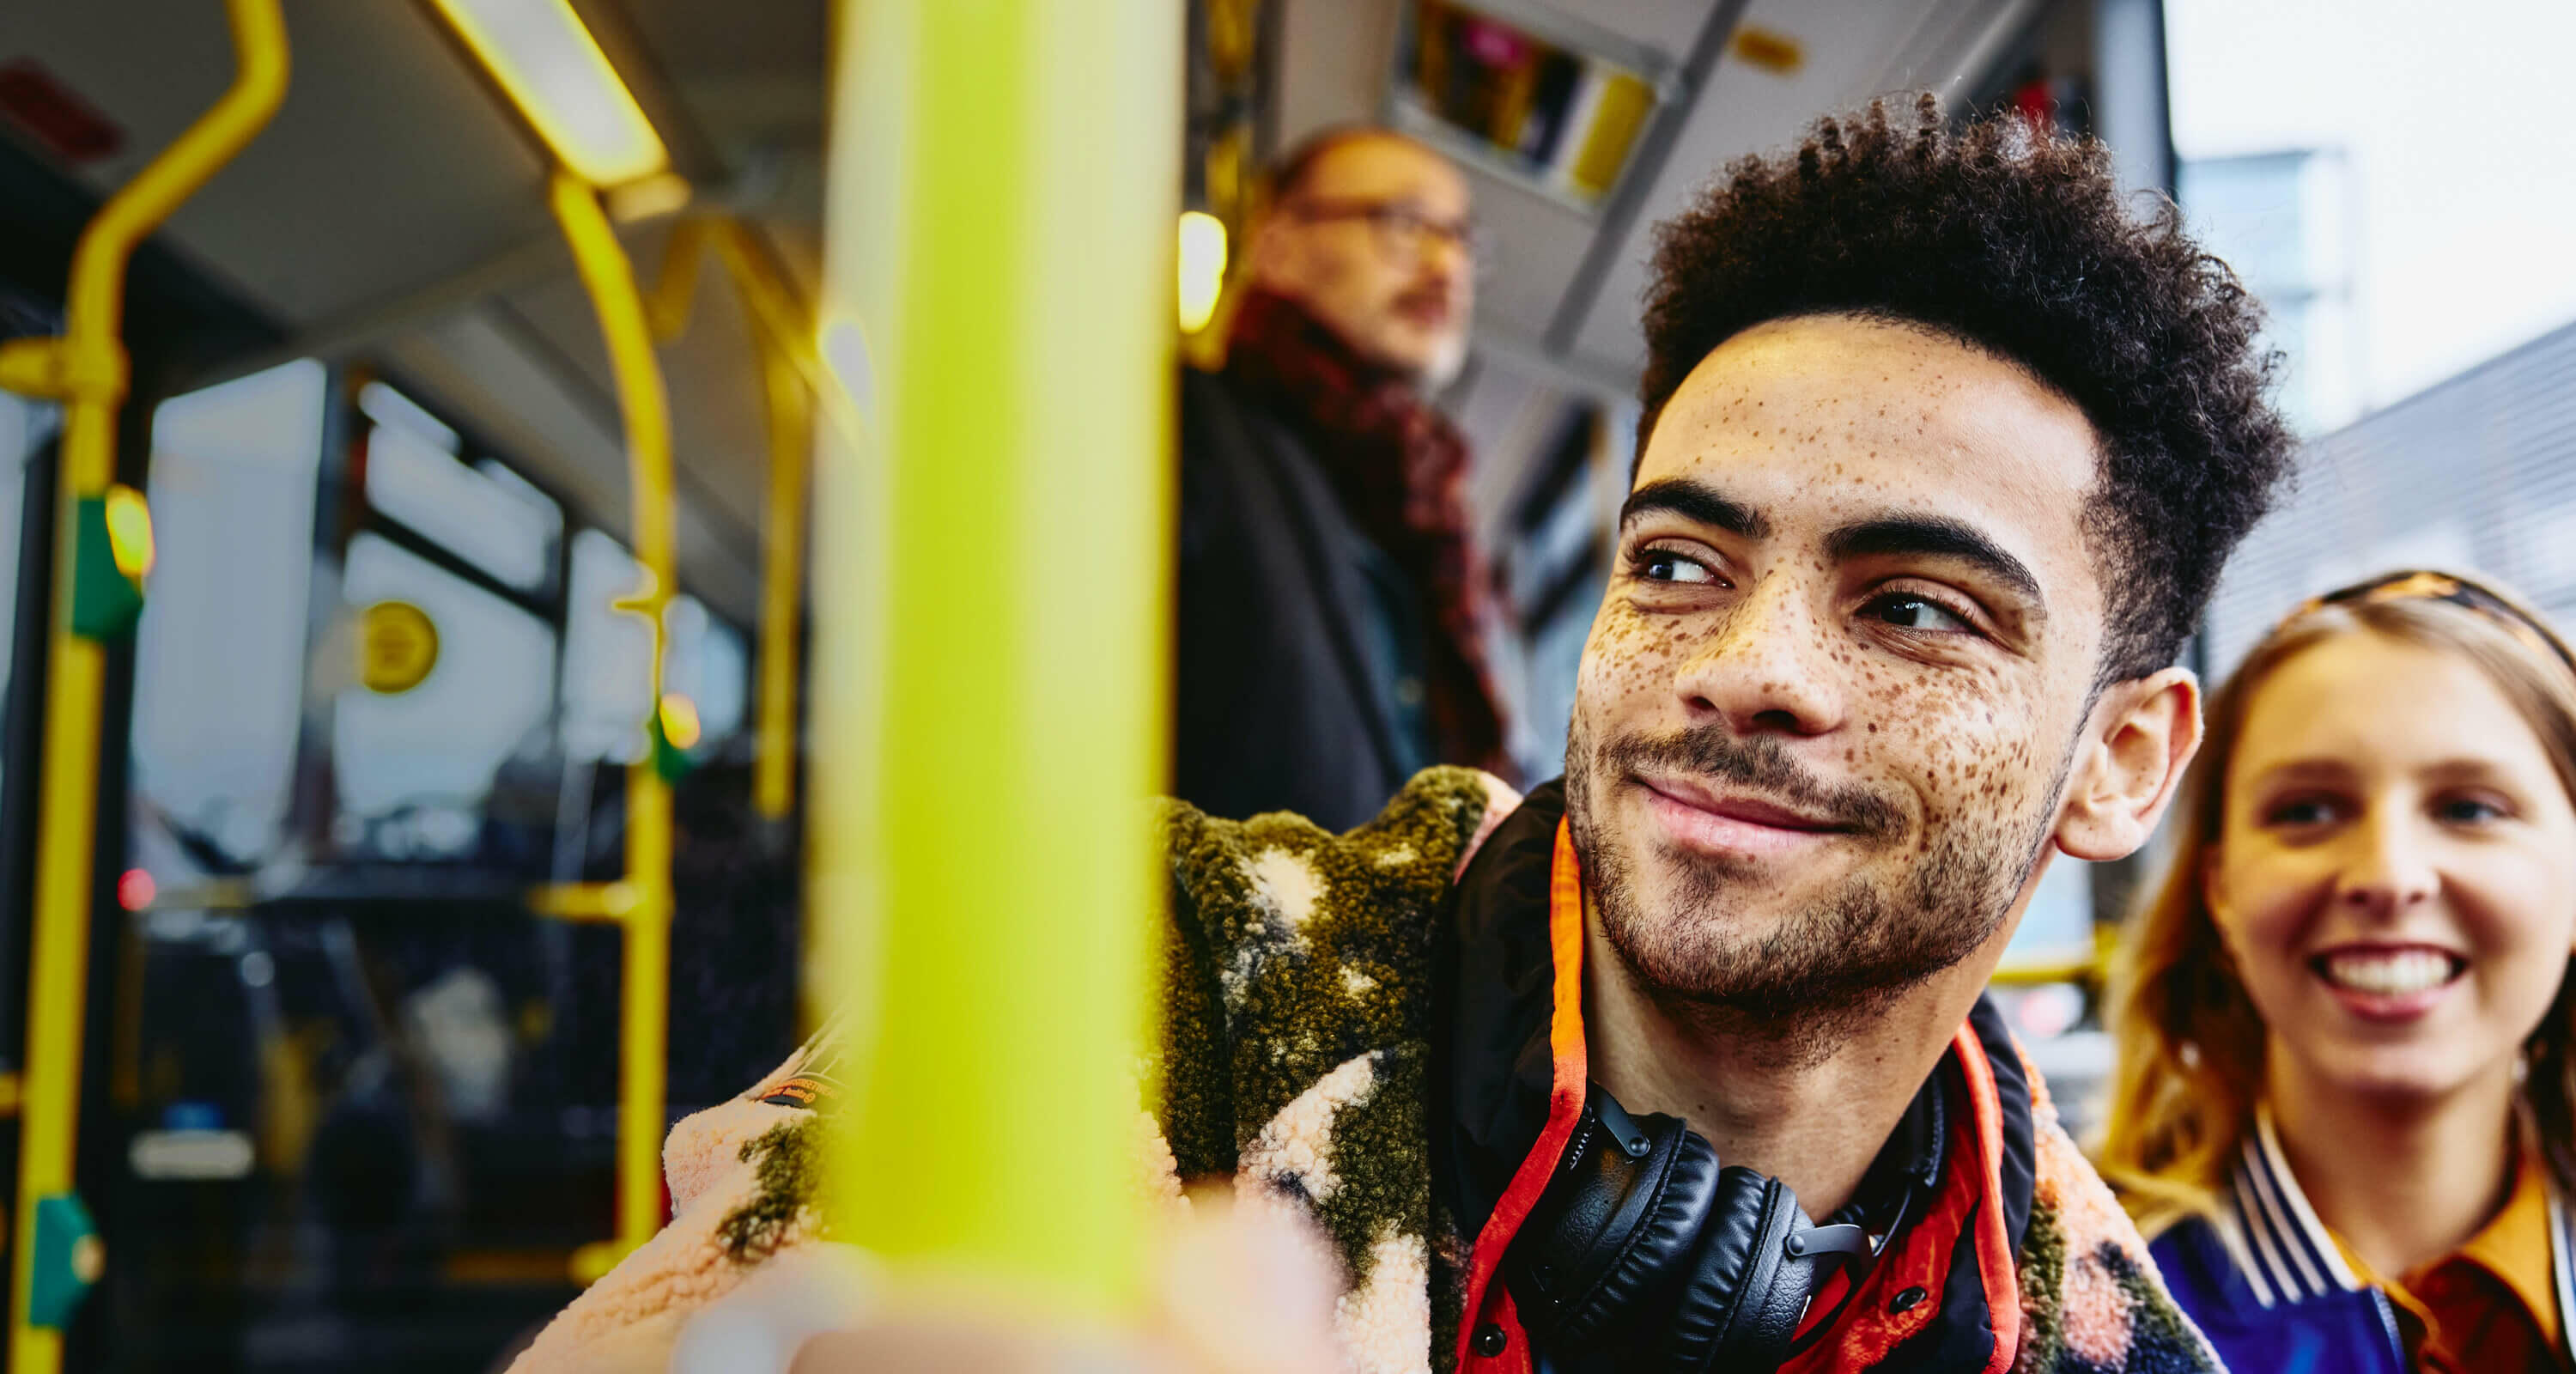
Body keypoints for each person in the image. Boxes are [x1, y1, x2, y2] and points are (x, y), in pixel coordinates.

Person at [508, 94, 2293, 1374]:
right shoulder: (1148, 970)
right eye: (1679, 559)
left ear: (2127, 760)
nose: (1745, 667)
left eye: (1913, 604)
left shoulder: (2087, 1319)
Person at [2101, 569, 2576, 1373]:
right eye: (2308, 811)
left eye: (2469, 809)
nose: (2389, 877)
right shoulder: (2070, 1307)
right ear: (2219, 890)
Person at [1173, 125, 1511, 832]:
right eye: (1404, 223)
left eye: (1460, 239)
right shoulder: (1183, 429)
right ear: (1277, 244)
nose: (1444, 265)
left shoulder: (1417, 513)